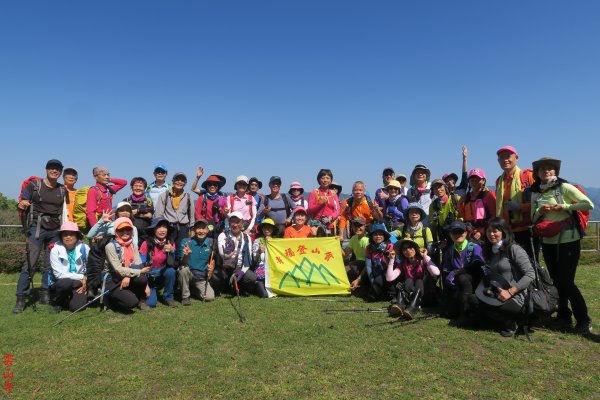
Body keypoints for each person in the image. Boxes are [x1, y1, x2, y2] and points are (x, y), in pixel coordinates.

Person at [530, 157, 594, 334]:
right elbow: (533, 218)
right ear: (537, 173)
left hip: (569, 241)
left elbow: (588, 204)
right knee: (557, 281)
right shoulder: (536, 192)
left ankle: (583, 320)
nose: (546, 172)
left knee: (567, 281)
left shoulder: (564, 188)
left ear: (556, 172)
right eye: (543, 169)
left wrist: (563, 206)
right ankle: (564, 316)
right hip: (548, 242)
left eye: (550, 169)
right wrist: (539, 211)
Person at [14, 159, 69, 313]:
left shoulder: (62, 190)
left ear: (60, 172)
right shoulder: (34, 186)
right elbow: (23, 200)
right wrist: (23, 203)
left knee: (51, 264)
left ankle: (46, 292)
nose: (55, 171)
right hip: (36, 229)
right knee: (29, 264)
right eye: (52, 168)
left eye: (58, 169)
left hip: (55, 231)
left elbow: (66, 210)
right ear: (46, 169)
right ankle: (21, 298)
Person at [475, 218, 535, 337]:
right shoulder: (491, 250)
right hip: (497, 293)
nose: (491, 234)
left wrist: (510, 291)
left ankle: (512, 322)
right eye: (488, 231)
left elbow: (530, 274)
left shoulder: (514, 249)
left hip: (516, 295)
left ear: (504, 232)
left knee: (482, 306)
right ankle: (503, 318)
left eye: (495, 231)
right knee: (472, 300)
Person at [494, 145, 537, 259]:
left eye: (508, 156)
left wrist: (519, 207)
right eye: (501, 158)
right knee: (512, 265)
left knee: (530, 264)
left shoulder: (528, 176)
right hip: (507, 231)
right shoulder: (499, 181)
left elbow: (538, 202)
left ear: (516, 158)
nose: (505, 160)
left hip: (527, 231)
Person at [441, 220, 485, 326]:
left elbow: (477, 266)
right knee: (449, 312)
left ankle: (464, 315)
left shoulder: (474, 247)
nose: (457, 235)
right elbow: (446, 272)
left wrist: (457, 272)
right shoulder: (449, 251)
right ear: (450, 234)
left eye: (460, 232)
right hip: (457, 286)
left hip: (476, 282)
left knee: (463, 277)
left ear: (465, 233)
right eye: (454, 232)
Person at [104, 217, 151, 311]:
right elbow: (118, 269)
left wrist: (146, 285)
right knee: (131, 303)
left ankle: (141, 300)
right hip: (113, 279)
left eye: (128, 229)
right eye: (121, 230)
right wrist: (137, 272)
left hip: (127, 276)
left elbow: (138, 264)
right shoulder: (110, 246)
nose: (125, 232)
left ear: (132, 231)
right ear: (116, 231)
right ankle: (110, 299)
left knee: (142, 278)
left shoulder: (133, 245)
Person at [387, 239, 440, 319]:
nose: (408, 250)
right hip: (410, 295)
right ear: (402, 252)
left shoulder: (423, 260)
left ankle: (413, 307)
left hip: (426, 295)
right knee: (408, 280)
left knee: (419, 281)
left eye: (411, 248)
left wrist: (425, 256)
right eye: (405, 249)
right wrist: (391, 260)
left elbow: (436, 273)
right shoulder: (403, 263)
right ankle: (400, 304)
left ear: (415, 249)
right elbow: (389, 278)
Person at [214, 212, 259, 296]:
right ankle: (225, 286)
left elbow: (248, 259)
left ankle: (238, 286)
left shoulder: (247, 238)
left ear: (242, 223)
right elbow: (222, 253)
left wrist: (242, 272)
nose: (235, 225)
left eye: (238, 222)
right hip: (225, 267)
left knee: (251, 277)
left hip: (239, 268)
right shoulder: (223, 235)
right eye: (232, 222)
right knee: (217, 277)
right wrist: (227, 254)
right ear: (229, 223)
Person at [49, 221, 90, 313]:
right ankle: (59, 302)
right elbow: (58, 275)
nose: (68, 237)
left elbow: (91, 267)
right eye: (65, 234)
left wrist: (87, 282)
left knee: (76, 308)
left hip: (80, 283)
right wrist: (81, 277)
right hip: (64, 281)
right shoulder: (55, 250)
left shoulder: (85, 248)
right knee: (65, 283)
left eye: (71, 234)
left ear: (77, 236)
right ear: (61, 236)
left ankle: (72, 299)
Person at [140, 218, 178, 308]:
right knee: (151, 303)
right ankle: (143, 293)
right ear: (154, 229)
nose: (162, 230)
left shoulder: (170, 243)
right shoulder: (146, 243)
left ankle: (168, 297)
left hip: (162, 274)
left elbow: (172, 263)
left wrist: (172, 251)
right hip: (148, 275)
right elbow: (141, 265)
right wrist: (145, 285)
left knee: (171, 271)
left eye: (164, 227)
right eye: (159, 227)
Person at [154, 172, 195, 255]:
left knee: (182, 248)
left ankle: (180, 266)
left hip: (183, 227)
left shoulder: (188, 197)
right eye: (177, 179)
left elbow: (191, 215)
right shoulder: (164, 195)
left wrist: (192, 229)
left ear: (185, 183)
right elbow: (159, 214)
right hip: (169, 227)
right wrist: (160, 228)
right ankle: (169, 266)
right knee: (168, 249)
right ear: (173, 181)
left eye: (182, 180)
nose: (179, 182)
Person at [180, 219, 217, 304]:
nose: (201, 231)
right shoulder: (186, 242)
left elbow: (213, 260)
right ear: (194, 230)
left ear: (207, 230)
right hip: (189, 274)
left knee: (210, 297)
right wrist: (186, 256)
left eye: (203, 228)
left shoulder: (211, 243)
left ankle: (192, 290)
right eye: (198, 228)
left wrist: (212, 268)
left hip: (201, 277)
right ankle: (185, 297)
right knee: (183, 269)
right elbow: (182, 263)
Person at [429, 178, 461, 265]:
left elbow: (463, 216)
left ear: (445, 187)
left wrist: (456, 221)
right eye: (435, 188)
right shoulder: (433, 205)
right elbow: (432, 223)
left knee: (459, 261)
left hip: (458, 236)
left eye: (440, 187)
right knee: (446, 263)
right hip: (444, 238)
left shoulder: (455, 199)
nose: (438, 190)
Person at [458, 168, 496, 242]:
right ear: (469, 182)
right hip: (469, 232)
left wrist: (482, 231)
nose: (474, 182)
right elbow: (464, 216)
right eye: (472, 180)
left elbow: (493, 217)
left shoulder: (489, 195)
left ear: (483, 181)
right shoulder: (467, 197)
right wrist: (459, 203)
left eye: (477, 179)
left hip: (485, 234)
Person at [363, 224, 394, 301]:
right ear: (371, 236)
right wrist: (372, 280)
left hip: (388, 274)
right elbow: (368, 266)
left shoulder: (390, 246)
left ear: (384, 236)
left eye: (380, 234)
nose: (378, 236)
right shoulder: (369, 248)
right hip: (375, 274)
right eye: (375, 234)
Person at [123, 177, 154, 247]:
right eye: (136, 186)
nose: (138, 188)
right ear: (131, 187)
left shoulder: (148, 201)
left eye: (140, 186)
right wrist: (141, 211)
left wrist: (135, 212)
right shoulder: (126, 201)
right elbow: (123, 215)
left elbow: (149, 215)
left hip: (144, 235)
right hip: (128, 234)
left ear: (144, 188)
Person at [308, 169, 341, 237]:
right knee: (317, 246)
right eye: (322, 178)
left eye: (328, 178)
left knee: (328, 246)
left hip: (330, 225)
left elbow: (337, 210)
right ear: (319, 180)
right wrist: (320, 204)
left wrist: (330, 218)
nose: (325, 180)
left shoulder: (334, 194)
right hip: (316, 226)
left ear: (331, 180)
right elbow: (310, 210)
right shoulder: (314, 193)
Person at [252, 218, 277, 298]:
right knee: (264, 295)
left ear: (273, 229)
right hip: (261, 272)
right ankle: (256, 283)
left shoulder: (276, 242)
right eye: (265, 227)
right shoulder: (257, 241)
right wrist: (259, 252)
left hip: (274, 271)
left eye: (269, 227)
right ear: (262, 229)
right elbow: (254, 259)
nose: (267, 229)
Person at [344, 218, 370, 293]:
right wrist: (337, 243)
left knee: (352, 265)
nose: (357, 228)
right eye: (355, 226)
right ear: (352, 227)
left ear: (365, 226)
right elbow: (345, 255)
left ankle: (361, 283)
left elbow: (369, 262)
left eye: (360, 226)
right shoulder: (353, 238)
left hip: (367, 267)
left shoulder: (367, 240)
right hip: (359, 266)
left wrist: (358, 278)